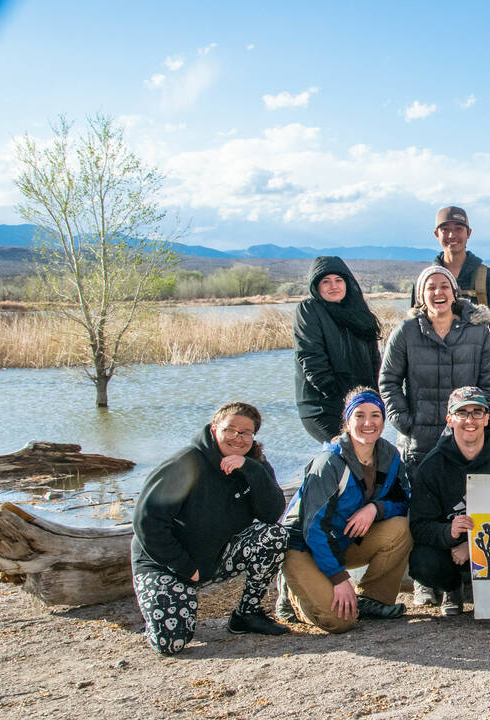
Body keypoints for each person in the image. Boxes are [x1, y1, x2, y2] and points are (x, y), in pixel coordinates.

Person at [130, 401, 288, 655]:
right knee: (171, 644)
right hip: (166, 565)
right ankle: (164, 609)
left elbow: (271, 514)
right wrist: (183, 567)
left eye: (246, 432)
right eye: (231, 430)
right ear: (215, 429)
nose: (238, 438)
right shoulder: (185, 463)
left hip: (215, 557)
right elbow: (146, 521)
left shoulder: (253, 463)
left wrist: (251, 469)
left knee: (274, 535)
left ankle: (246, 615)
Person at [281, 389, 413, 633]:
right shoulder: (329, 463)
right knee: (341, 622)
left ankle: (373, 600)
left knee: (400, 527)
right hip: (303, 547)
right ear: (347, 420)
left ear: (384, 420)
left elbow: (403, 500)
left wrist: (376, 508)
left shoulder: (389, 455)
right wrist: (339, 578)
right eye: (359, 415)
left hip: (342, 541)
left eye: (375, 415)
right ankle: (292, 598)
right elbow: (313, 529)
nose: (368, 423)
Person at [409, 386, 490, 616]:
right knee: (422, 561)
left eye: (477, 412)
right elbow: (419, 526)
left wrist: (472, 548)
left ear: (487, 418)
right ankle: (452, 587)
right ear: (450, 420)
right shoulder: (431, 467)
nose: (469, 420)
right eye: (462, 413)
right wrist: (448, 532)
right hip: (451, 550)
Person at [379, 265, 490, 468]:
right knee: (421, 498)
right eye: (430, 287)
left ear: (454, 293)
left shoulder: (478, 333)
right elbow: (388, 381)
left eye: (444, 286)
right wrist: (407, 423)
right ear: (420, 297)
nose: (438, 292)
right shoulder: (405, 332)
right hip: (419, 442)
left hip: (466, 438)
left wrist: (475, 421)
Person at [294, 256, 383, 442]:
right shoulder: (309, 309)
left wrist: (374, 397)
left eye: (338, 280)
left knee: (366, 456)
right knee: (344, 452)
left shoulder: (360, 313)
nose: (333, 286)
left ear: (347, 283)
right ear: (316, 286)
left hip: (361, 403)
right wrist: (343, 398)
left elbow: (375, 361)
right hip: (323, 405)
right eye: (326, 281)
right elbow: (311, 358)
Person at [425, 205, 490, 358]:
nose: (452, 235)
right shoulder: (425, 283)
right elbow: (414, 335)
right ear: (436, 234)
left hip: (478, 375)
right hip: (432, 374)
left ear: (469, 233)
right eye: (445, 229)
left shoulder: (489, 279)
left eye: (459, 228)